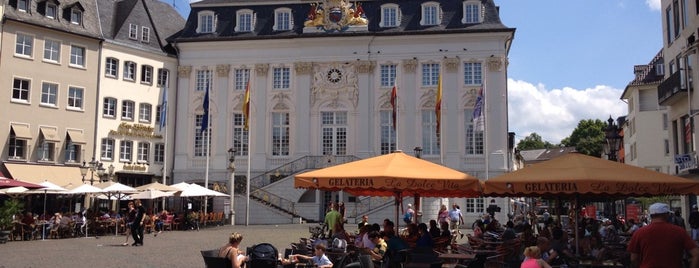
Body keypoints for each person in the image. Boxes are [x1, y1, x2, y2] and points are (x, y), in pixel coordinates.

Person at [627, 202, 699, 268]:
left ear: (651, 215)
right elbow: (696, 254)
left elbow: (633, 258)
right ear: (666, 215)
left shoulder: (639, 233)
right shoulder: (679, 231)